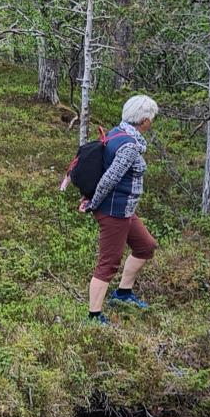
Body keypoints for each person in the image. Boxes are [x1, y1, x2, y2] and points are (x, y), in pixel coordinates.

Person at [79, 95, 160, 325]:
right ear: (144, 120)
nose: (151, 122)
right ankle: (94, 316)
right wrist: (93, 203)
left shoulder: (116, 132)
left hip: (124, 210)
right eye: (150, 119)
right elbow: (109, 178)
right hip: (114, 211)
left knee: (146, 246)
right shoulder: (129, 145)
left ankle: (123, 294)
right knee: (108, 262)